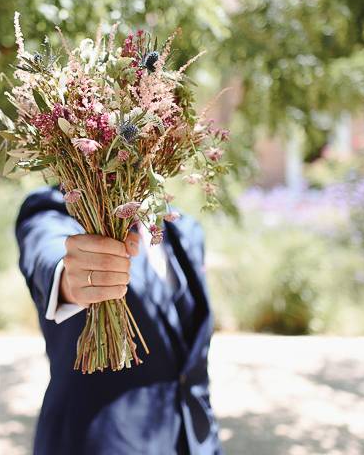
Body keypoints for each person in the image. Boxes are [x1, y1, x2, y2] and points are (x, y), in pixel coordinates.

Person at [15, 186, 224, 455]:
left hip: (194, 444)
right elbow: (49, 256)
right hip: (99, 443)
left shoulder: (184, 228)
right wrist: (72, 277)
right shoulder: (55, 208)